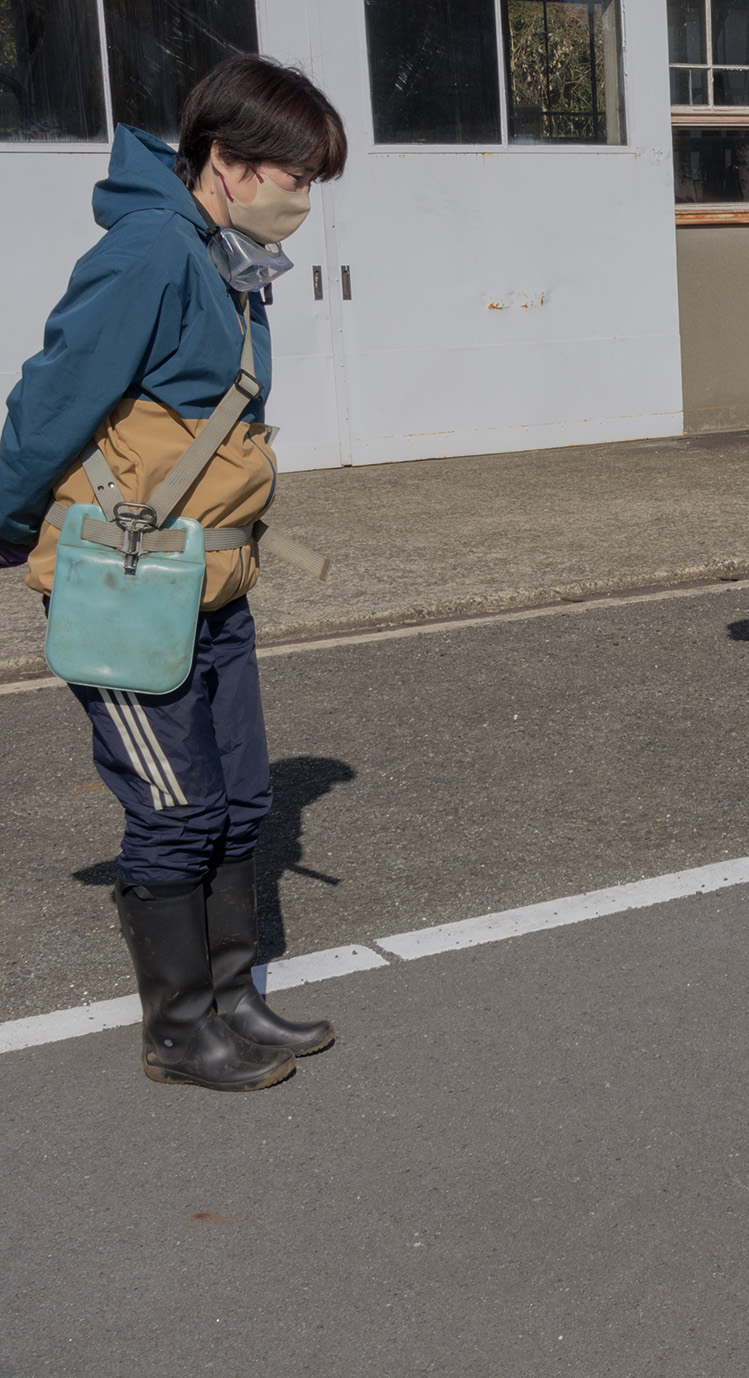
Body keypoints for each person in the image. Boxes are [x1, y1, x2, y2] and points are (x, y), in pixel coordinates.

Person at [0, 56, 347, 1092]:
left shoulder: (221, 252)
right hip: (124, 588)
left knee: (241, 800)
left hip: (205, 580)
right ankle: (180, 1030)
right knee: (177, 807)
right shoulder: (153, 252)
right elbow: (51, 401)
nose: (304, 196)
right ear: (228, 164)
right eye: (295, 173)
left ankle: (234, 1000)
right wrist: (9, 523)